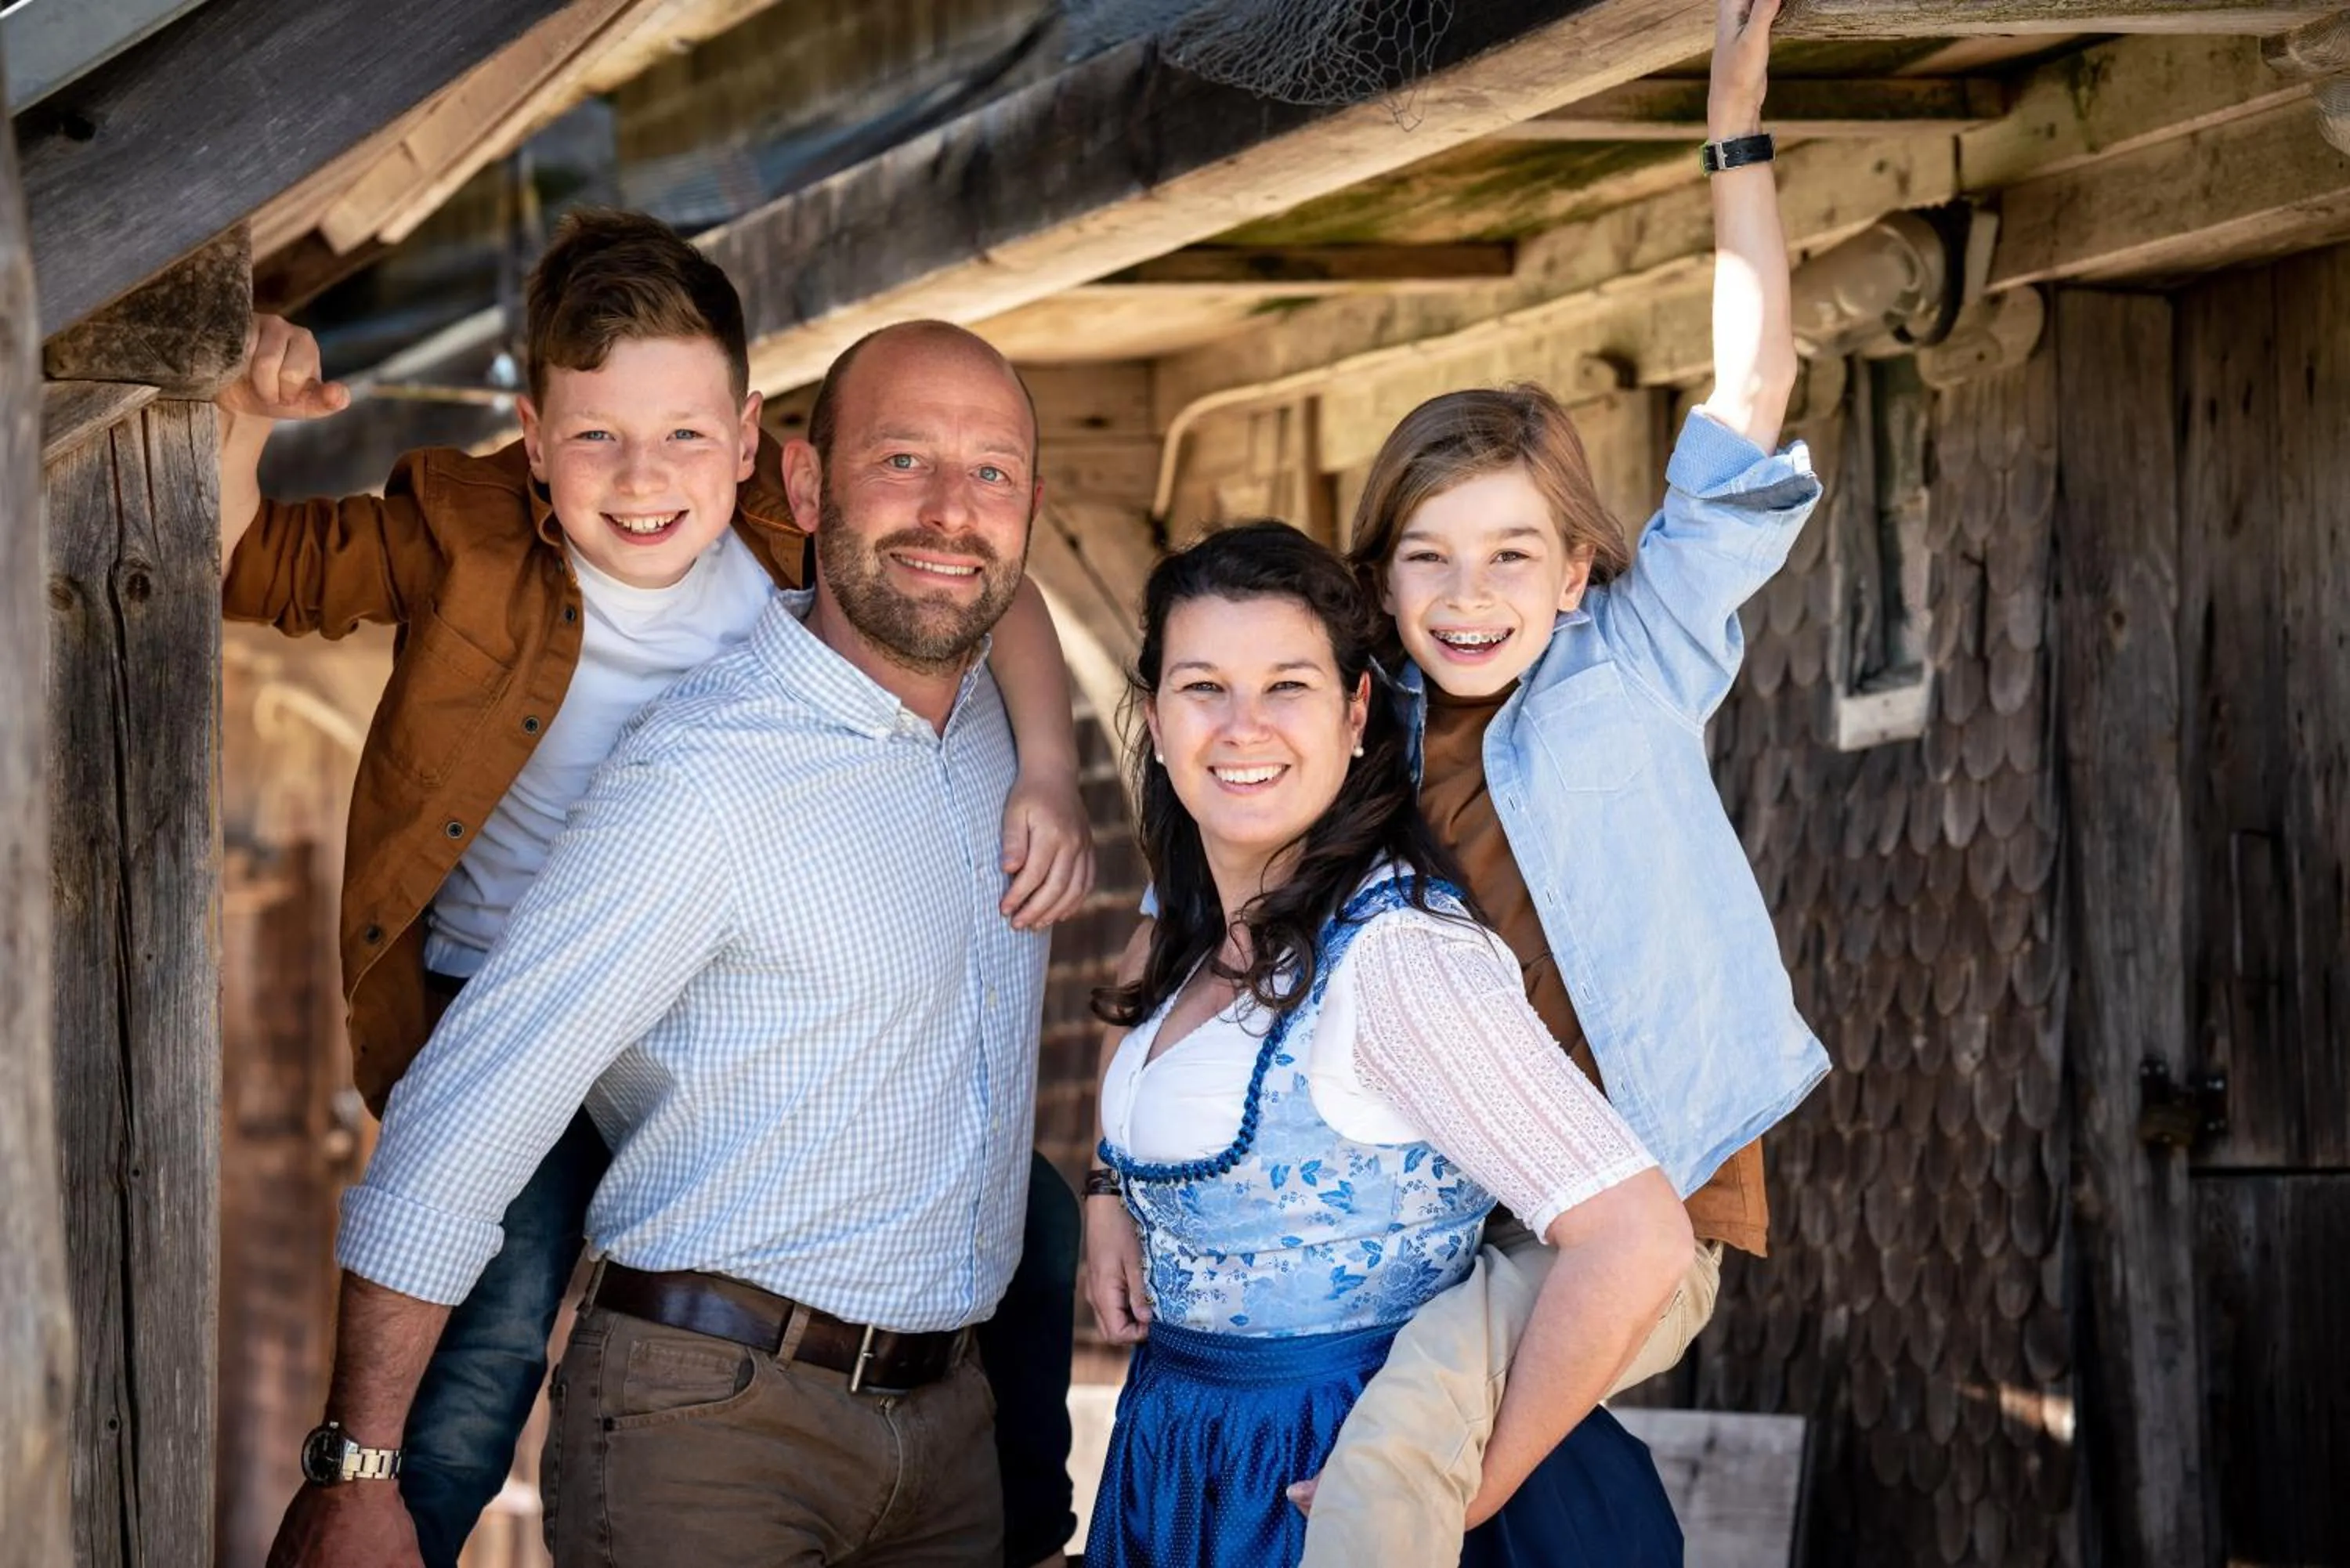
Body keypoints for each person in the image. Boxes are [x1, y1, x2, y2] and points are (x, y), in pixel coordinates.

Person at [221, 218, 1092, 1567]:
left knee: (1024, 1222)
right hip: (505, 977)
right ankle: (393, 1526)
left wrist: (1047, 761)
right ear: (529, 434)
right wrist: (235, 420)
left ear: (753, 446)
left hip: (696, 1005)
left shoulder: (794, 546)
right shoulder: (466, 539)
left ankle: (1026, 1520)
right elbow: (247, 559)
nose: (643, 480)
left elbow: (995, 576)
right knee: (496, 1319)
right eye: (594, 439)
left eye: (684, 435)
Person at [1289, 1, 1821, 1559]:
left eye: (1512, 553)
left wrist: (1733, 128)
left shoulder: (1635, 659)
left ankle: (1470, 1491)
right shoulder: (1359, 735)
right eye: (1429, 556)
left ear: (1580, 570)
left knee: (1402, 1451)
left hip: (1647, 1200)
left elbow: (1750, 399)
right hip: (1469, 1196)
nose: (1469, 592)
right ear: (1382, 581)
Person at [1083, 521, 1694, 1566]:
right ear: (1152, 713)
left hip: (1323, 1473)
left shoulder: (1398, 956)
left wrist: (1470, 1484)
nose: (1242, 727)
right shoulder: (1184, 931)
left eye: (1286, 686)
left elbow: (1638, 1236)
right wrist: (1108, 1193)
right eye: (1202, 687)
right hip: (1178, 1460)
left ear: (1356, 710)